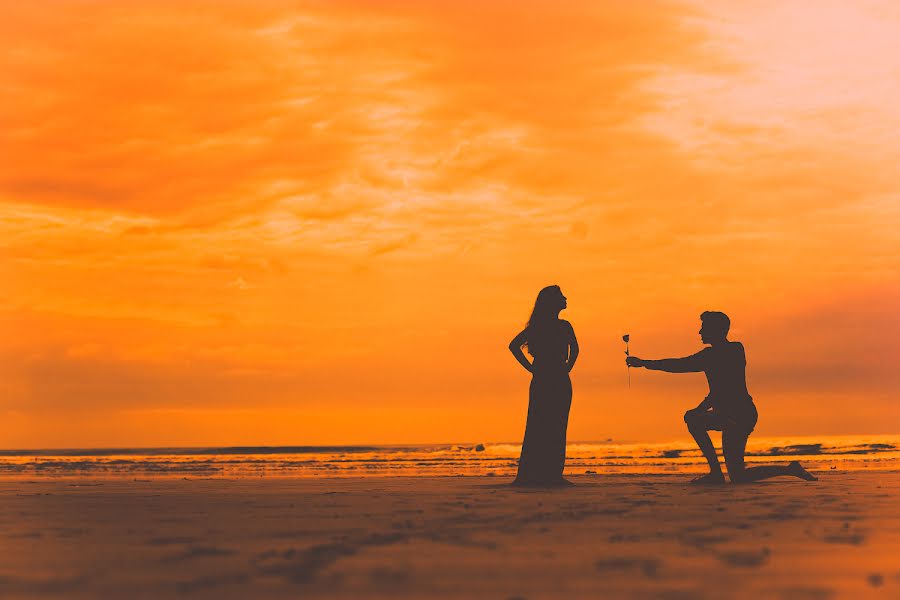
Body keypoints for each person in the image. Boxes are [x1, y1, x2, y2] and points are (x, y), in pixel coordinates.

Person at [626, 311, 817, 485]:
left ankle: (716, 474)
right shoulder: (726, 352)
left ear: (716, 330)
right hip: (735, 415)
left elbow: (680, 365)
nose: (700, 332)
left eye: (704, 328)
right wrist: (701, 408)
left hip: (739, 415)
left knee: (693, 419)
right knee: (738, 476)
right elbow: (717, 390)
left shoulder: (730, 351)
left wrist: (644, 363)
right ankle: (790, 469)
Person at [508, 285, 579, 486]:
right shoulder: (558, 326)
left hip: (547, 376)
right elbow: (575, 350)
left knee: (549, 423)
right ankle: (546, 474)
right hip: (550, 376)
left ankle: (549, 473)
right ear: (552, 302)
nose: (565, 298)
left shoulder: (557, 326)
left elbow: (575, 349)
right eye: (561, 296)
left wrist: (534, 368)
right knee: (548, 424)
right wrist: (565, 367)